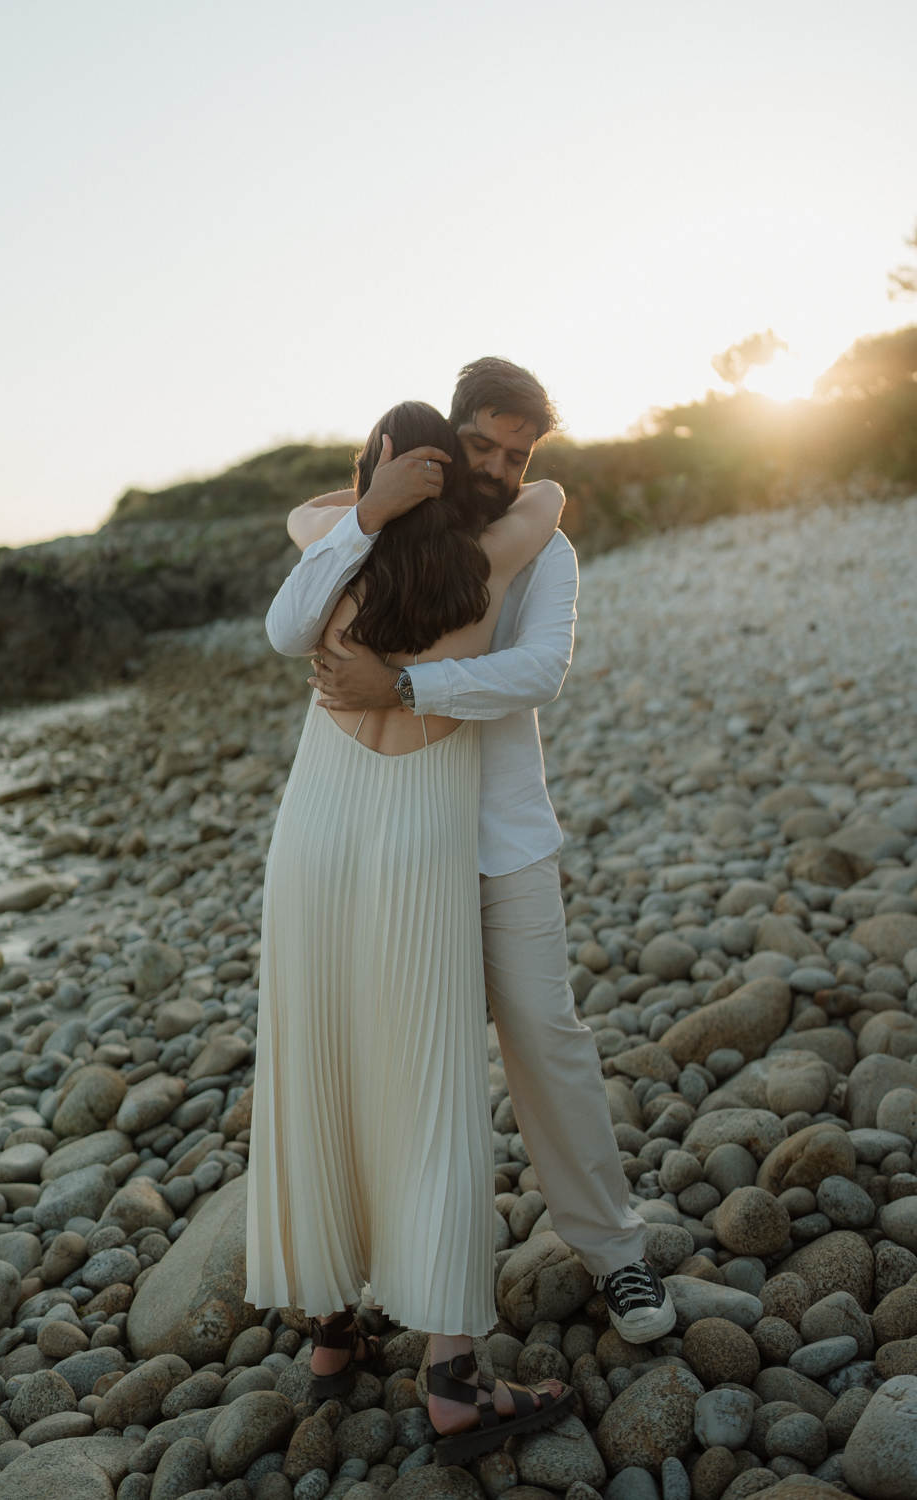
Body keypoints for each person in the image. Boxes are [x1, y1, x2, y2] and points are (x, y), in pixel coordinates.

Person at [266, 358, 675, 1346]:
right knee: (388, 1055)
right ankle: (382, 1273)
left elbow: (539, 671)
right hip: (393, 843)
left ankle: (615, 1253)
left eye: (515, 454)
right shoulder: (390, 533)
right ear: (449, 438)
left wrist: (404, 689)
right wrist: (368, 512)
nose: (496, 467)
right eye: (481, 445)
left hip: (502, 841)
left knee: (547, 1037)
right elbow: (301, 574)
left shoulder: (544, 550)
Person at [246, 399, 575, 1462]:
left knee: (317, 1065)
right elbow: (547, 495)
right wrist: (438, 497)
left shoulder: (339, 549)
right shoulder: (490, 554)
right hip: (416, 835)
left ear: (380, 468)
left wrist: (371, 505)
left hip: (316, 830)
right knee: (426, 1082)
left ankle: (332, 1332)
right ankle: (452, 1378)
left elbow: (290, 589)